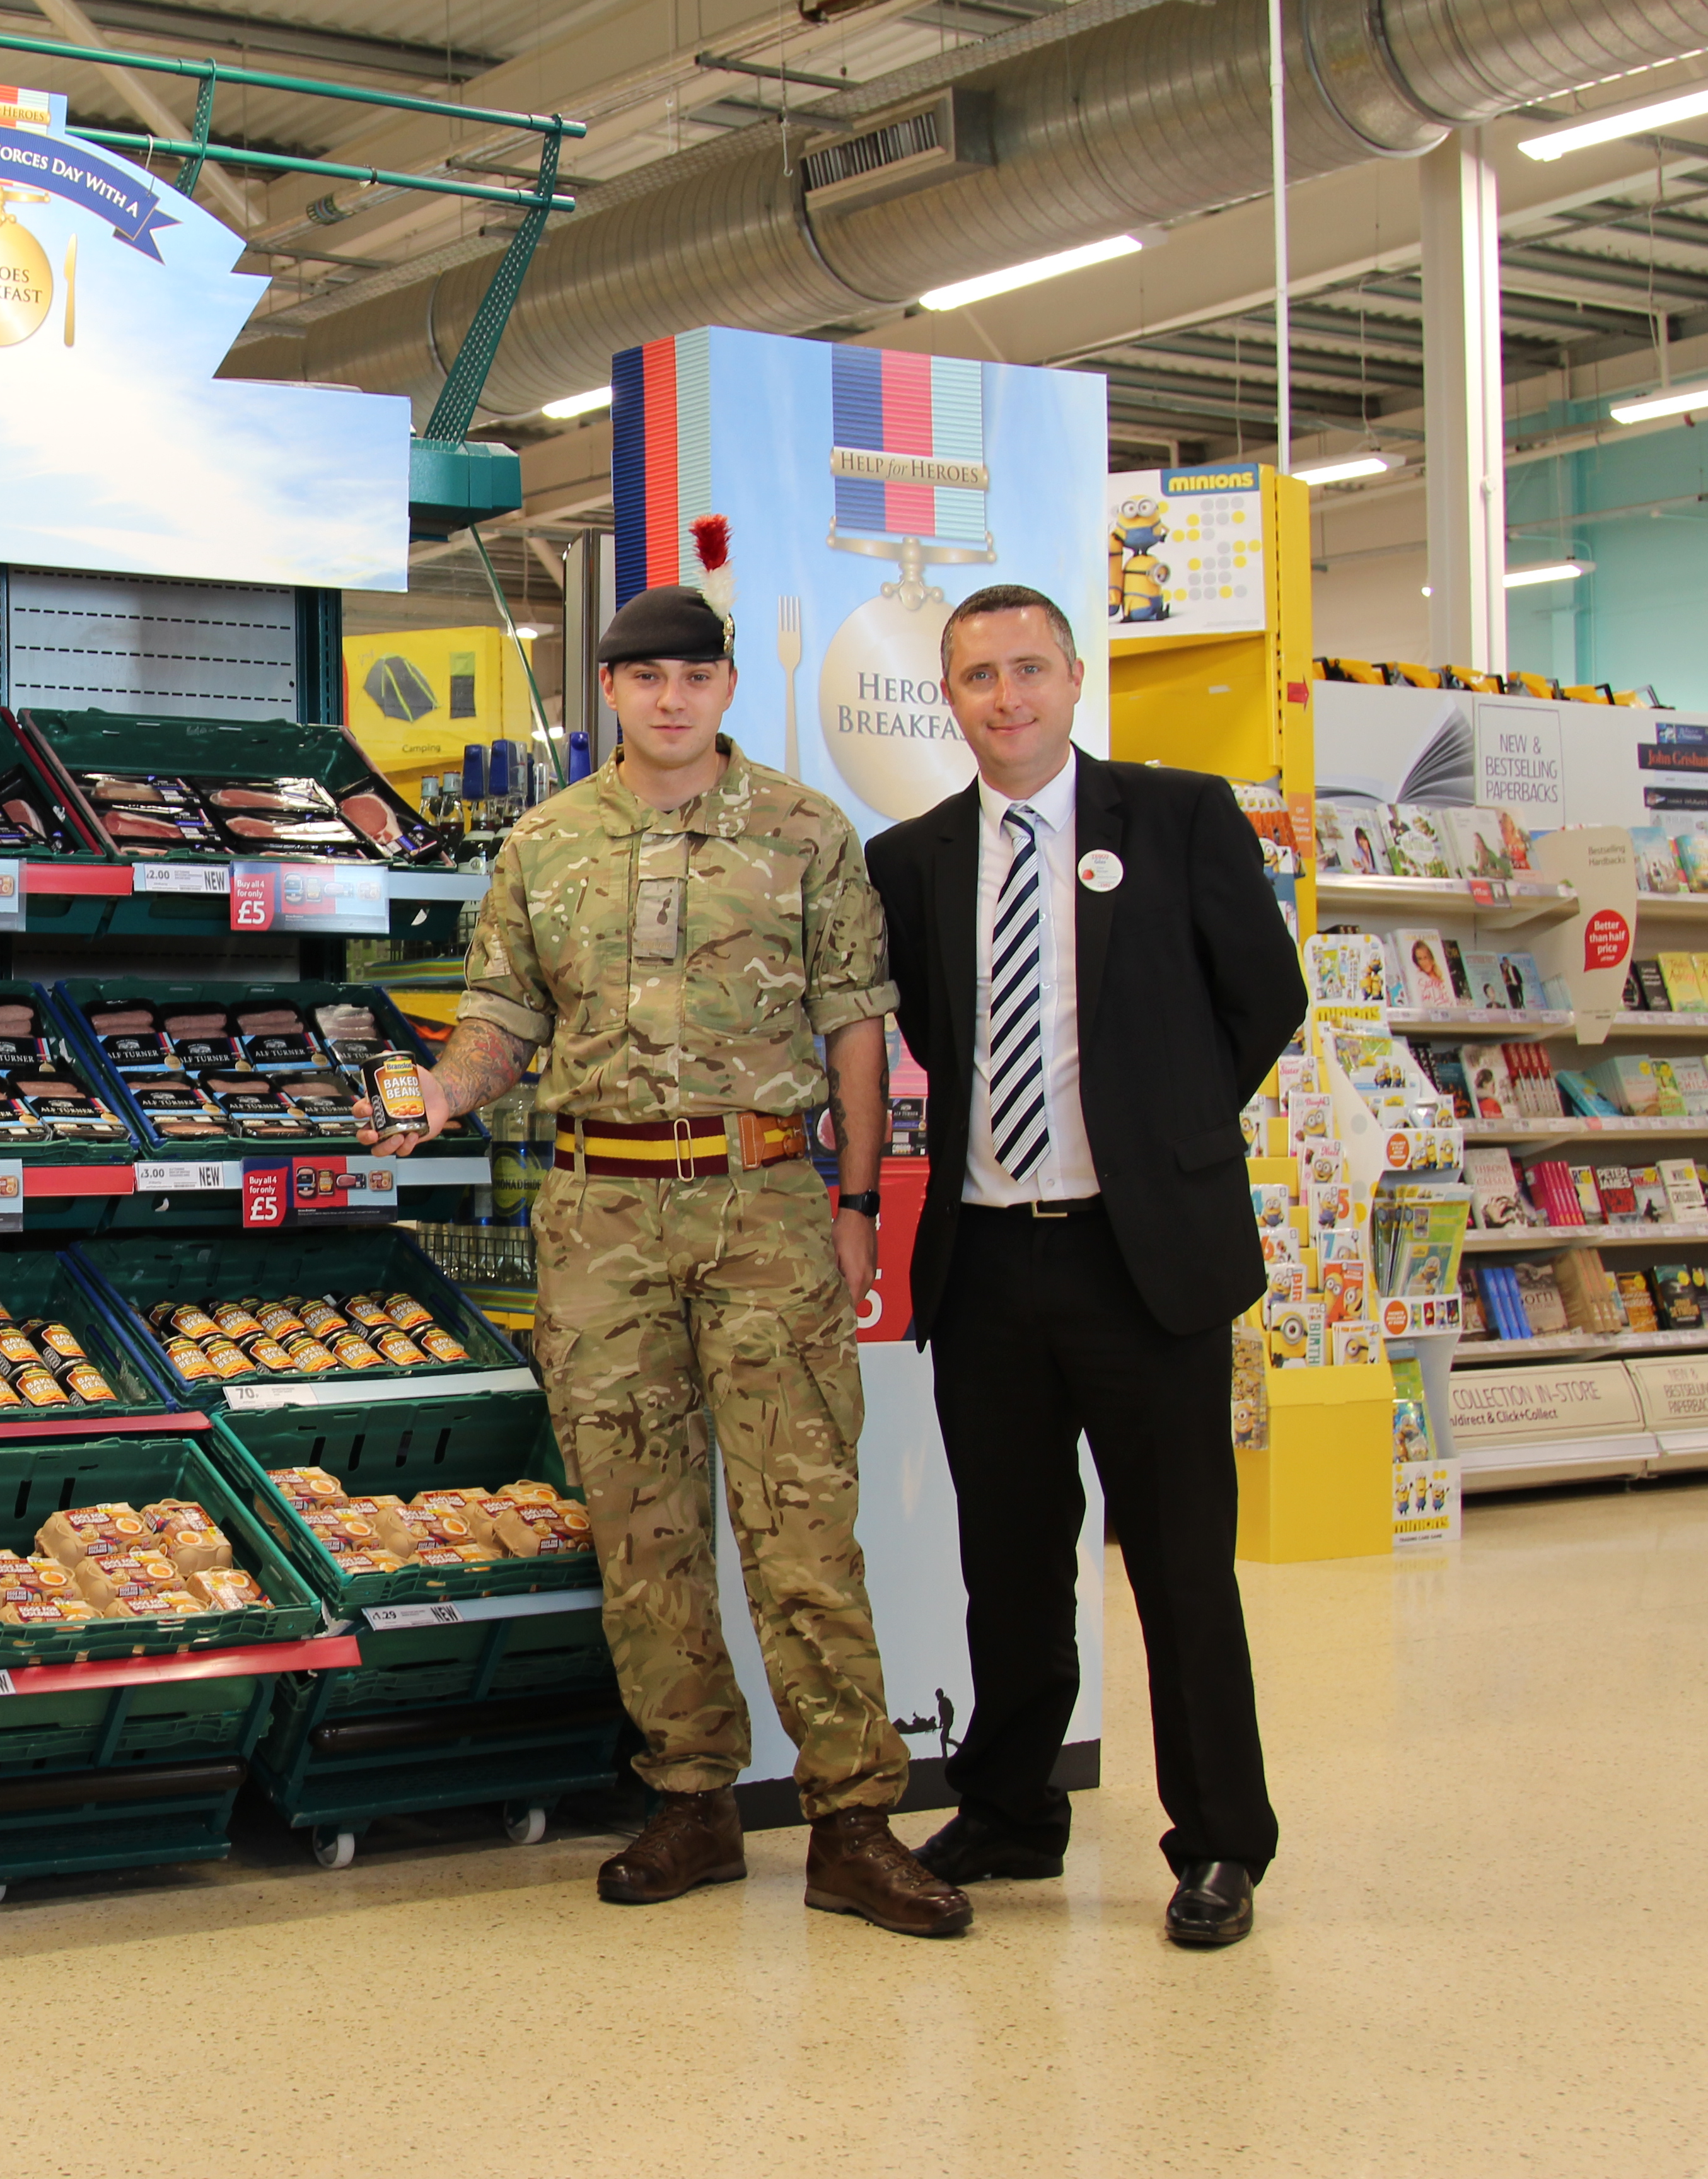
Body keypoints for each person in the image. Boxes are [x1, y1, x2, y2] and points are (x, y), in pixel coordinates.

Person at [368, 570, 969, 1938]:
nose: (671, 697)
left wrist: (862, 1200)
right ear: (614, 693)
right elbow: (500, 1017)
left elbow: (857, 1029)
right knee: (640, 1526)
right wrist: (442, 1094)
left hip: (763, 1206)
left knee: (800, 1518)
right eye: (646, 679)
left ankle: (853, 1819)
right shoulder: (546, 841)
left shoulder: (808, 833)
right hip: (597, 1222)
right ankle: (691, 1792)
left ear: (727, 688)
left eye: (694, 676)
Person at [865, 583, 1308, 1949]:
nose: (1009, 697)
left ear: (1073, 680)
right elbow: (936, 1031)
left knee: (1182, 1566)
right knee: (1006, 1559)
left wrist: (1159, 1134)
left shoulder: (1176, 818)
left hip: (1144, 1261)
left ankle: (1222, 1842)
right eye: (981, 676)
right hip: (988, 1257)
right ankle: (1009, 1809)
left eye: (1031, 670)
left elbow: (1266, 997)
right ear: (949, 696)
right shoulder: (914, 857)